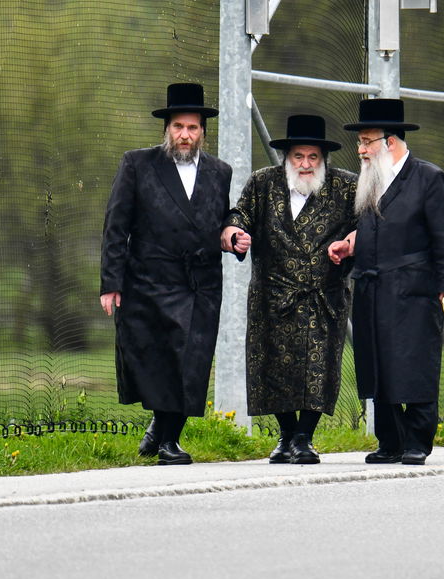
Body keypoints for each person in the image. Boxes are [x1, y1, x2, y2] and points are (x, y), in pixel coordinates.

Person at [99, 82, 232, 465]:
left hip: (202, 283)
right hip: (149, 281)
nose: (185, 135)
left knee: (192, 362)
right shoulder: (137, 164)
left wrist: (232, 233)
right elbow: (116, 226)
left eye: (192, 128)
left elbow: (222, 219)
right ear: (167, 129)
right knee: (159, 360)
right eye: (178, 127)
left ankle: (166, 437)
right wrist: (111, 283)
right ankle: (163, 432)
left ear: (202, 131)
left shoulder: (220, 172)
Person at [327, 98, 444, 466]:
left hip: (412, 290)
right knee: (378, 367)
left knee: (414, 364)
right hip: (372, 289)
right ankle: (391, 441)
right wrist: (350, 245)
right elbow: (376, 231)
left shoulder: (428, 178)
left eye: (366, 141)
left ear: (389, 142)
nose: (360, 149)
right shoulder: (372, 180)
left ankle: (417, 441)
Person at [220, 114, 358, 465]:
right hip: (272, 294)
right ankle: (286, 435)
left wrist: (349, 243)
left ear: (323, 158)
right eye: (299, 156)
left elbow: (367, 225)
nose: (306, 164)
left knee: (319, 368)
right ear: (287, 157)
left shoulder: (346, 187)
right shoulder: (263, 182)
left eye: (313, 157)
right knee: (272, 367)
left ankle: (303, 437)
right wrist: (235, 235)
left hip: (322, 296)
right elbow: (239, 215)